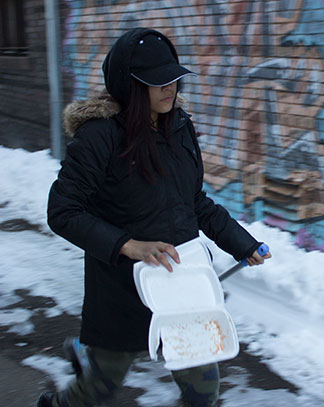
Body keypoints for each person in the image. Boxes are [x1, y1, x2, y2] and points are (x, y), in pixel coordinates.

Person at [39, 27, 271, 407]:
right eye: (158, 81)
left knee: (203, 394)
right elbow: (63, 212)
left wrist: (241, 242)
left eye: (174, 78)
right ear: (129, 85)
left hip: (181, 284)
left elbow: (194, 201)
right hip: (121, 288)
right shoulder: (99, 138)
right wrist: (128, 246)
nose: (171, 88)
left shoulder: (179, 128)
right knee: (99, 389)